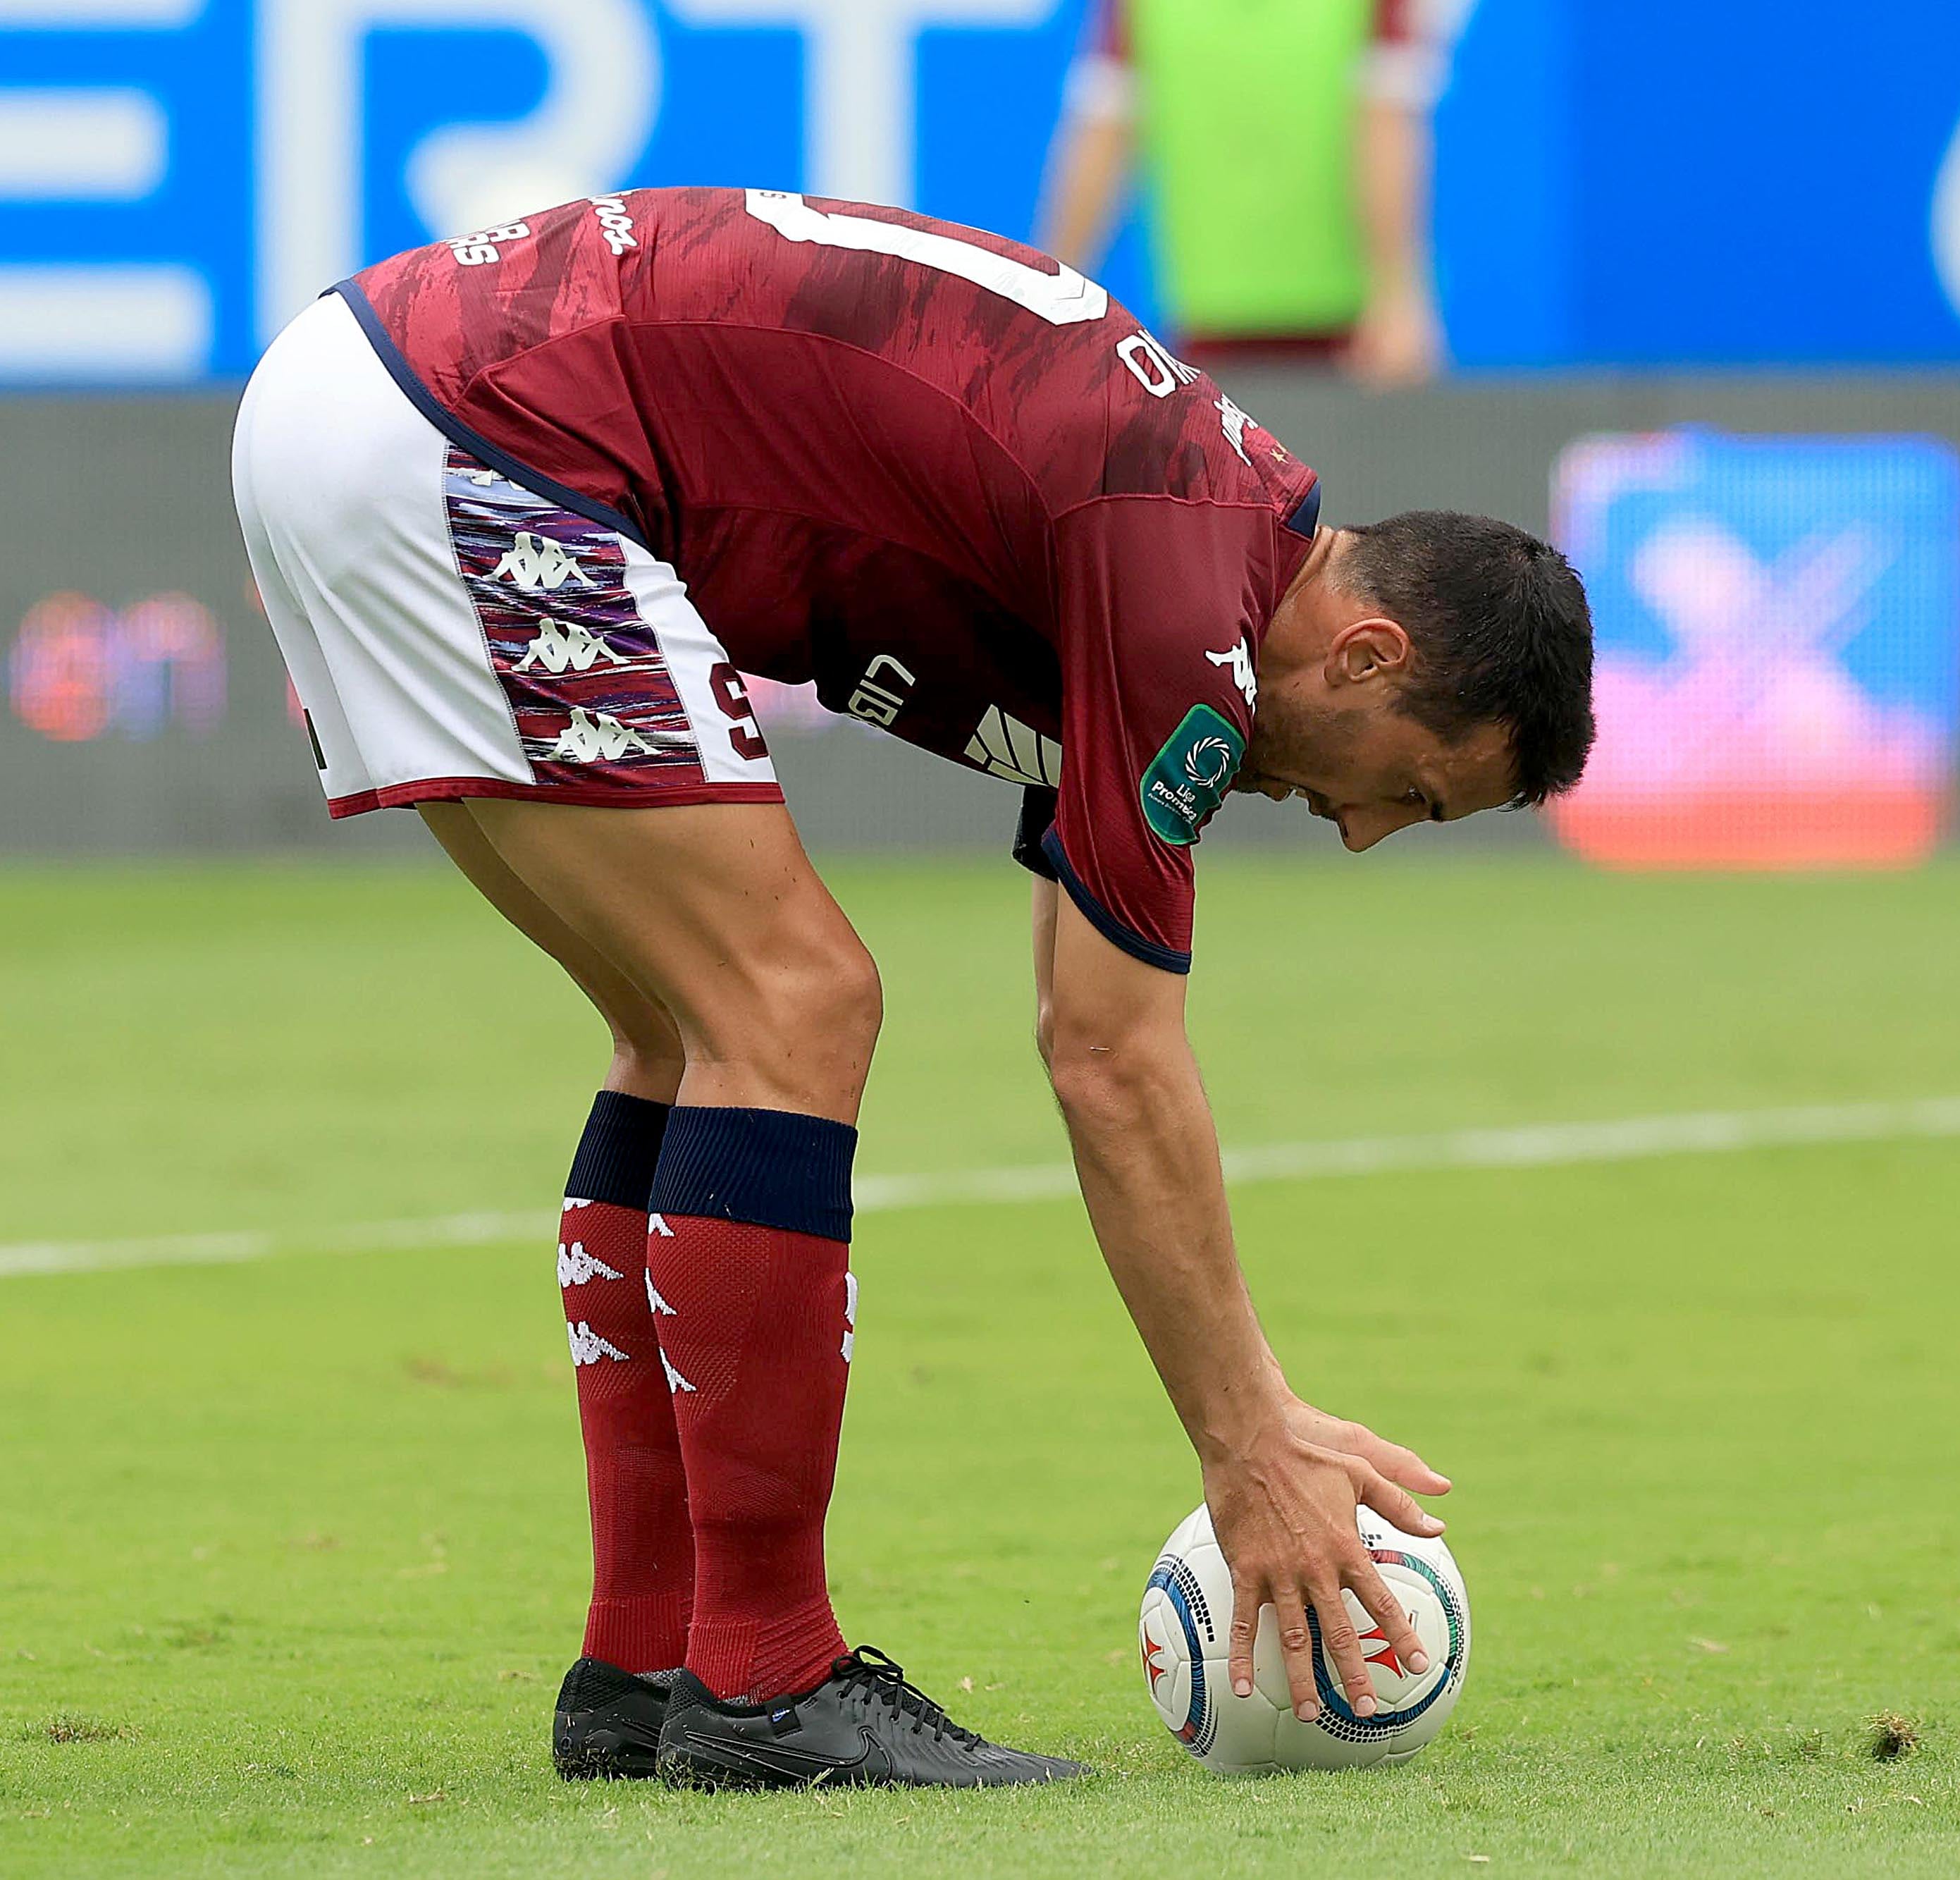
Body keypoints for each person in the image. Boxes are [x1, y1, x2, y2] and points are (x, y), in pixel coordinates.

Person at [228, 185, 1594, 1789]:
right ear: (1363, 657)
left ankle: (648, 1663)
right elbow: (1109, 1059)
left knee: (687, 1030)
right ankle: (765, 1682)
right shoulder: (1182, 583)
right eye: (1412, 793)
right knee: (797, 1003)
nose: (1362, 834)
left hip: (373, 392)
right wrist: (1248, 1442)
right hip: (478, 429)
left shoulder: (1184, 541)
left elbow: (1091, 1008)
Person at [1036, 0, 1450, 386]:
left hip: (1310, 330)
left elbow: (1102, 136)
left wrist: (1044, 310)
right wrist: (1398, 297)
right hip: (1297, 324)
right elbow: (1385, 126)